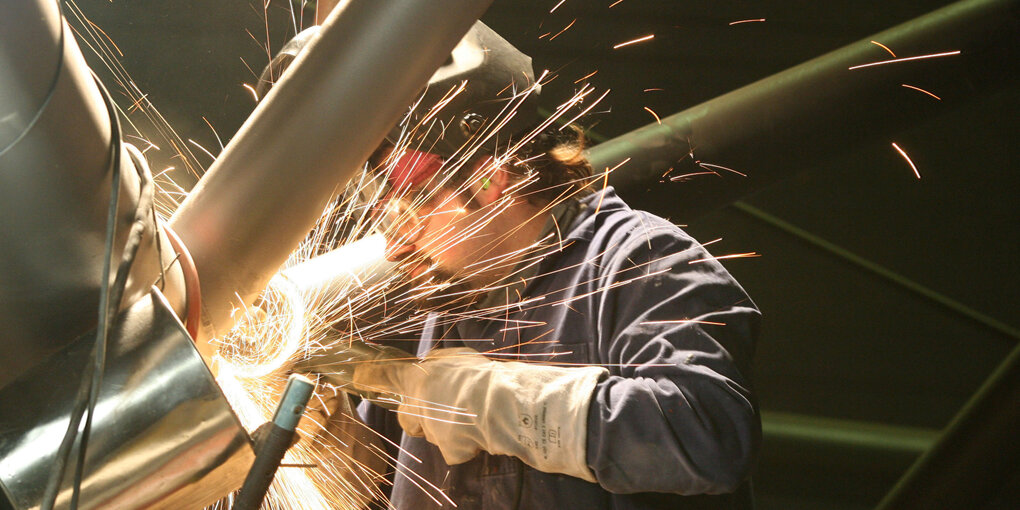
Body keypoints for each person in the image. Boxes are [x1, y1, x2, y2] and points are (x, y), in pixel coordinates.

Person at [266, 20, 760, 510]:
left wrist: (500, 404)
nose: (394, 247)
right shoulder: (443, 305)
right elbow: (380, 486)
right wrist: (330, 436)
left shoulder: (641, 262)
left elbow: (711, 436)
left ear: (490, 178)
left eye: (413, 203)